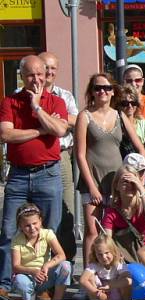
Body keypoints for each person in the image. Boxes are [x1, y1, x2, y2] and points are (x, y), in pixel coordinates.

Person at [0, 55, 68, 295]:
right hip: (18, 175)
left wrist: (37, 107)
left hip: (47, 173)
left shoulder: (55, 101)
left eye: (40, 74)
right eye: (30, 75)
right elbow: (6, 136)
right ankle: (5, 285)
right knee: (9, 230)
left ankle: (45, 285)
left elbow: (59, 129)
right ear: (22, 76)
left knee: (49, 231)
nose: (36, 79)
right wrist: (41, 130)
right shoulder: (10, 102)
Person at [75, 72, 145, 270]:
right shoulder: (85, 116)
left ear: (113, 91)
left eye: (106, 88)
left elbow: (139, 148)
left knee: (115, 230)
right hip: (93, 180)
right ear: (92, 92)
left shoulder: (120, 115)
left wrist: (140, 174)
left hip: (118, 182)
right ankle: (88, 277)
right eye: (98, 88)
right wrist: (92, 187)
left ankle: (113, 274)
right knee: (92, 231)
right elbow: (80, 155)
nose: (102, 92)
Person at [39, 52, 79, 260]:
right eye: (46, 67)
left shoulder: (65, 95)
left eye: (53, 68)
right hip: (34, 158)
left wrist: (58, 118)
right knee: (37, 214)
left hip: (61, 157)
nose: (49, 72)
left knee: (66, 210)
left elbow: (77, 119)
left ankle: (67, 262)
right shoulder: (21, 93)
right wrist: (51, 121)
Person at [101, 155, 145, 265]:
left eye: (133, 181)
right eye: (125, 181)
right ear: (116, 186)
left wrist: (139, 187)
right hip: (132, 259)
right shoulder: (113, 210)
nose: (130, 185)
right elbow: (106, 241)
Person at [11, 203, 71, 300]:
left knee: (66, 265)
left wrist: (47, 265)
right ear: (20, 226)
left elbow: (61, 255)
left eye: (35, 223)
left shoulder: (48, 234)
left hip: (45, 275)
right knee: (19, 280)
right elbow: (15, 266)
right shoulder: (16, 240)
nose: (32, 228)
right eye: (27, 225)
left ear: (41, 221)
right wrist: (33, 271)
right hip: (28, 276)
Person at [78, 234, 133, 300]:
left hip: (118, 296)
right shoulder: (94, 264)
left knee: (124, 277)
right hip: (102, 296)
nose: (104, 257)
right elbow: (82, 280)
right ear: (95, 254)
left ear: (113, 251)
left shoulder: (119, 263)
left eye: (107, 253)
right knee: (90, 277)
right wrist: (96, 292)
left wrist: (111, 286)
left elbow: (129, 281)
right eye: (99, 254)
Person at [117, 85, 145, 161]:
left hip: (141, 163)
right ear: (118, 105)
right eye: (125, 103)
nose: (130, 106)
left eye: (133, 103)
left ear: (137, 105)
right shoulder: (115, 124)